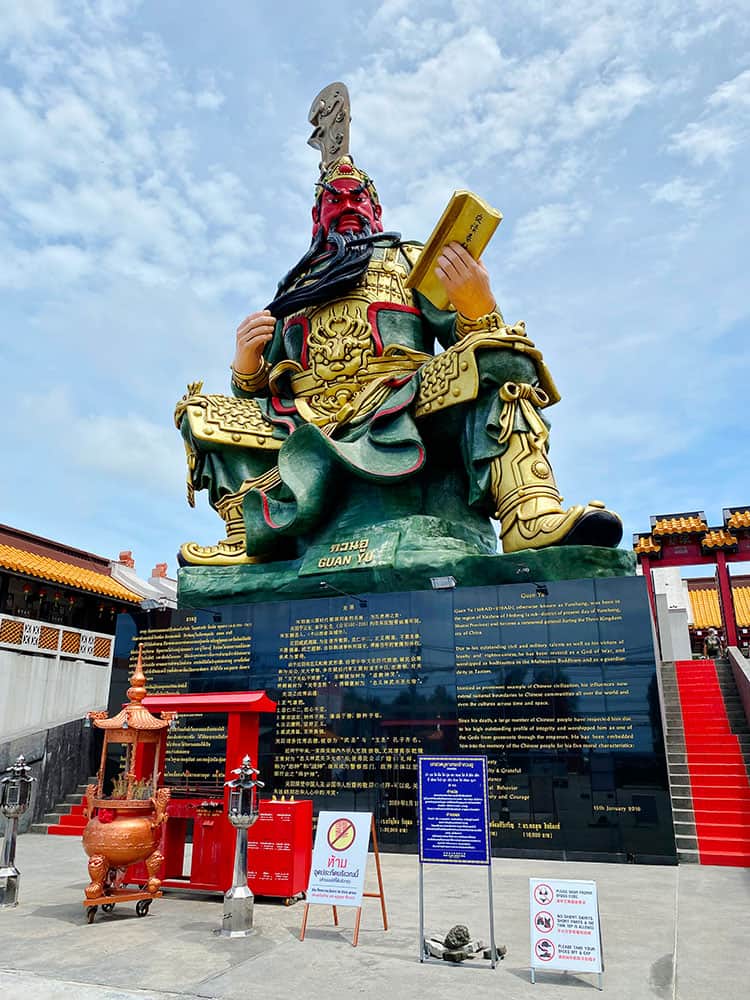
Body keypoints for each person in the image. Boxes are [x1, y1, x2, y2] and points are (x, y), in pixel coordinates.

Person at [175, 93, 621, 567]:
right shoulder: (293, 292)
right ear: (316, 218)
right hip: (304, 415)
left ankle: (527, 510)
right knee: (199, 410)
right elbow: (261, 394)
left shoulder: (409, 261)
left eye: (356, 197)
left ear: (376, 209)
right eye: (334, 199)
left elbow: (464, 336)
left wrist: (477, 304)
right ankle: (248, 537)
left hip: (402, 398)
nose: (346, 205)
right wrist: (246, 368)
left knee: (501, 353)